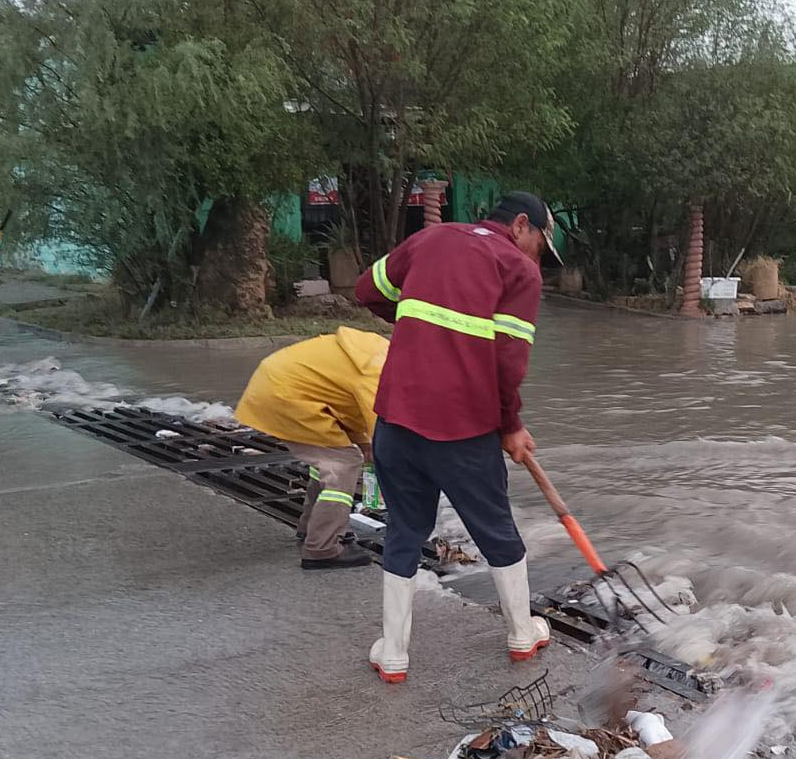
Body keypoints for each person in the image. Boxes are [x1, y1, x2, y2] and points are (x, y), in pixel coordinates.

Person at [353, 191, 560, 684]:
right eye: (539, 246)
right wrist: (510, 424)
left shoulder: (430, 238)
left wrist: (415, 321)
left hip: (396, 420)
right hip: (463, 428)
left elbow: (368, 289)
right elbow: (508, 361)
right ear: (522, 226)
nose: (537, 260)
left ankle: (394, 654)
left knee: (404, 529)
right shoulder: (517, 268)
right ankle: (520, 634)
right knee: (495, 529)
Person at [234, 327, 389, 569]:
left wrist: (364, 443)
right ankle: (322, 548)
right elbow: (384, 430)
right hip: (287, 396)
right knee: (343, 465)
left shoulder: (378, 352)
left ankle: (312, 528)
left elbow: (346, 405)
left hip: (281, 386)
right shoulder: (379, 373)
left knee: (328, 461)